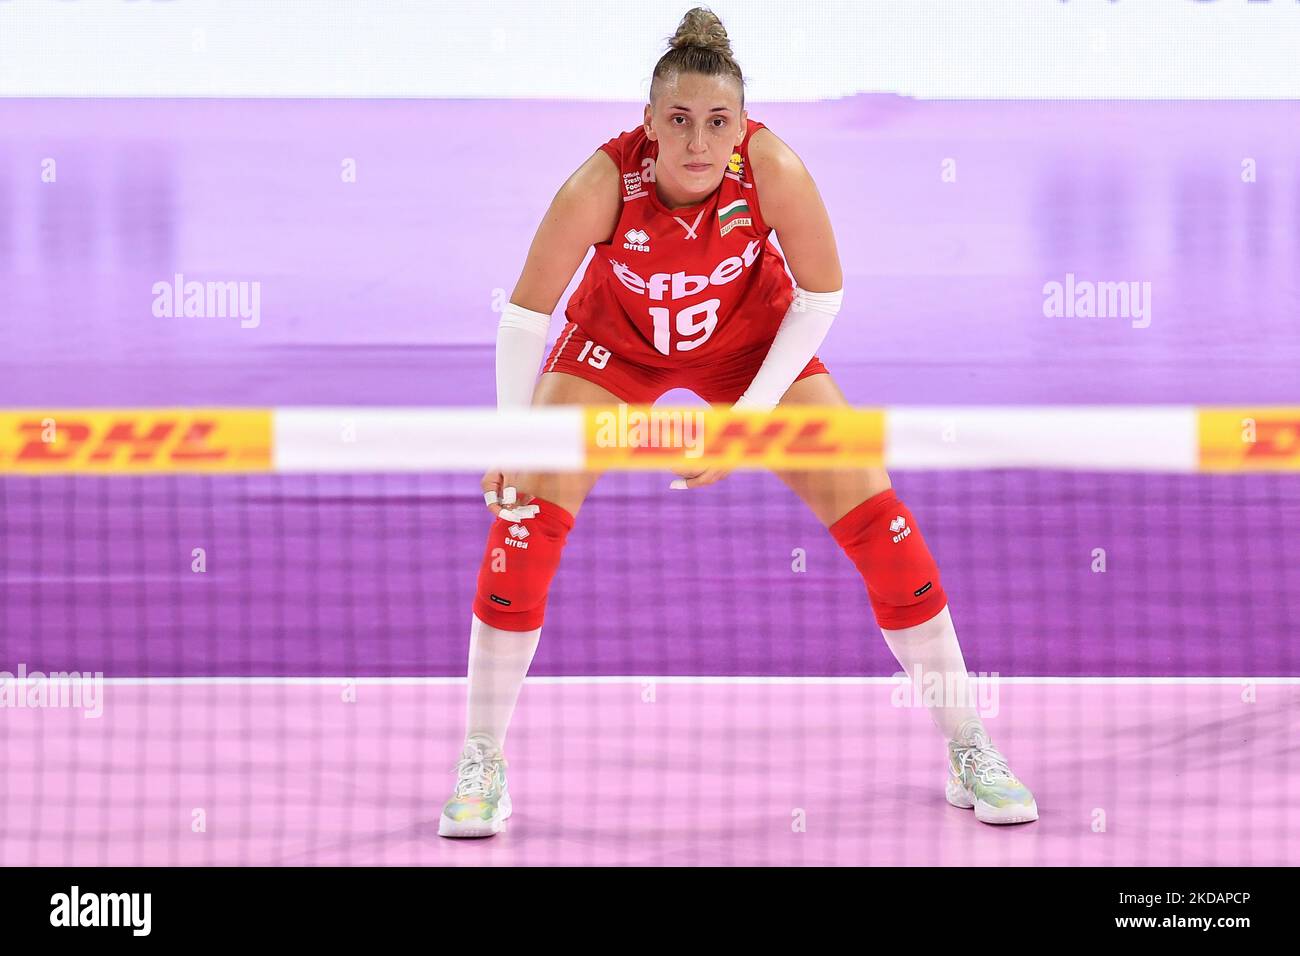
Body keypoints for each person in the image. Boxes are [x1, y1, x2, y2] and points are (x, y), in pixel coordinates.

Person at [439, 7, 1037, 838]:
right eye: (678, 120)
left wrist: (749, 422)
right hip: (613, 351)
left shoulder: (773, 171)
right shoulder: (603, 183)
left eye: (716, 122)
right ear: (648, 123)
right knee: (522, 527)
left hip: (749, 347)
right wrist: (516, 446)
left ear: (742, 126)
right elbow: (525, 314)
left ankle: (970, 745)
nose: (696, 141)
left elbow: (822, 295)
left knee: (886, 526)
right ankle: (481, 761)